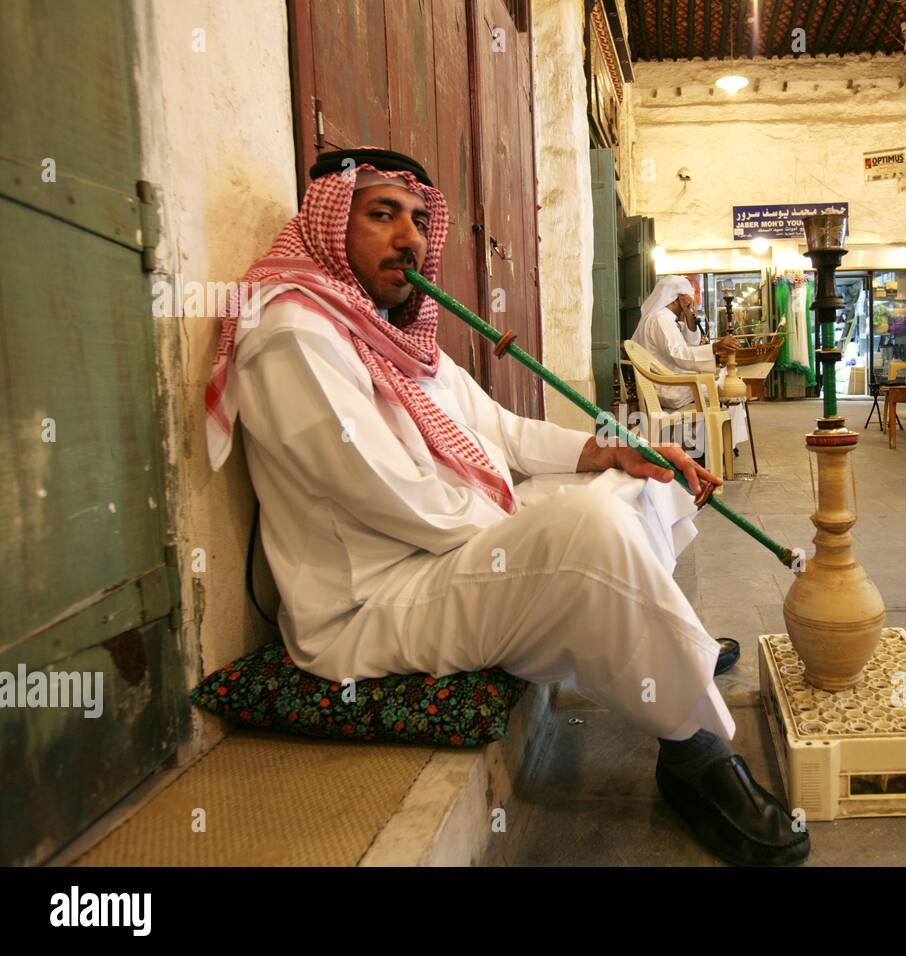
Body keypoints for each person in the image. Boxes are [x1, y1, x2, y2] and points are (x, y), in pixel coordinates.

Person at [204, 147, 806, 866]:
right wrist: (536, 520)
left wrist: (610, 451)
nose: (409, 238)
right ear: (329, 226)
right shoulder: (294, 335)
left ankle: (671, 650)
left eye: (420, 219)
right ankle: (692, 750)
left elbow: (503, 430)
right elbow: (391, 498)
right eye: (381, 214)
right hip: (371, 603)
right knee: (584, 529)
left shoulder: (388, 331)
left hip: (443, 558)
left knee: (635, 480)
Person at [631, 276, 750, 455]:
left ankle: (719, 445)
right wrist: (716, 347)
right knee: (726, 390)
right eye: (690, 295)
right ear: (679, 297)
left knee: (723, 386)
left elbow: (690, 344)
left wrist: (688, 315)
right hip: (669, 388)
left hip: (671, 382)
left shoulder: (666, 318)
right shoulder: (661, 319)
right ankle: (719, 447)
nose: (693, 300)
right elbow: (680, 355)